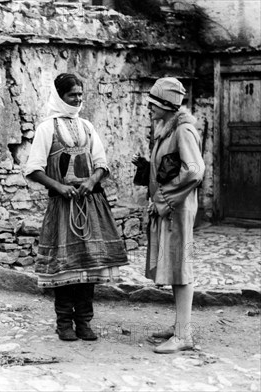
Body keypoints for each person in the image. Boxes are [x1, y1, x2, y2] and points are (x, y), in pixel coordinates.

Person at [25, 73, 129, 341]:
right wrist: (59, 187)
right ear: (60, 96)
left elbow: (101, 163)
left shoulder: (87, 126)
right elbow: (33, 168)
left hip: (90, 204)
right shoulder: (46, 128)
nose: (78, 100)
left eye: (81, 95)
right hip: (63, 207)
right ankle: (64, 324)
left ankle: (84, 322)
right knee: (66, 267)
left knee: (89, 265)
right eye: (72, 95)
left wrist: (92, 181)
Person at [132, 77, 205, 354]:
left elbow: (194, 170)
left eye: (153, 104)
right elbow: (173, 165)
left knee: (182, 267)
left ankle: (184, 335)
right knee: (175, 266)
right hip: (172, 208)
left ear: (166, 105)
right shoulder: (167, 128)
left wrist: (162, 198)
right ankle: (179, 326)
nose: (149, 108)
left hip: (178, 209)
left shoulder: (183, 130)